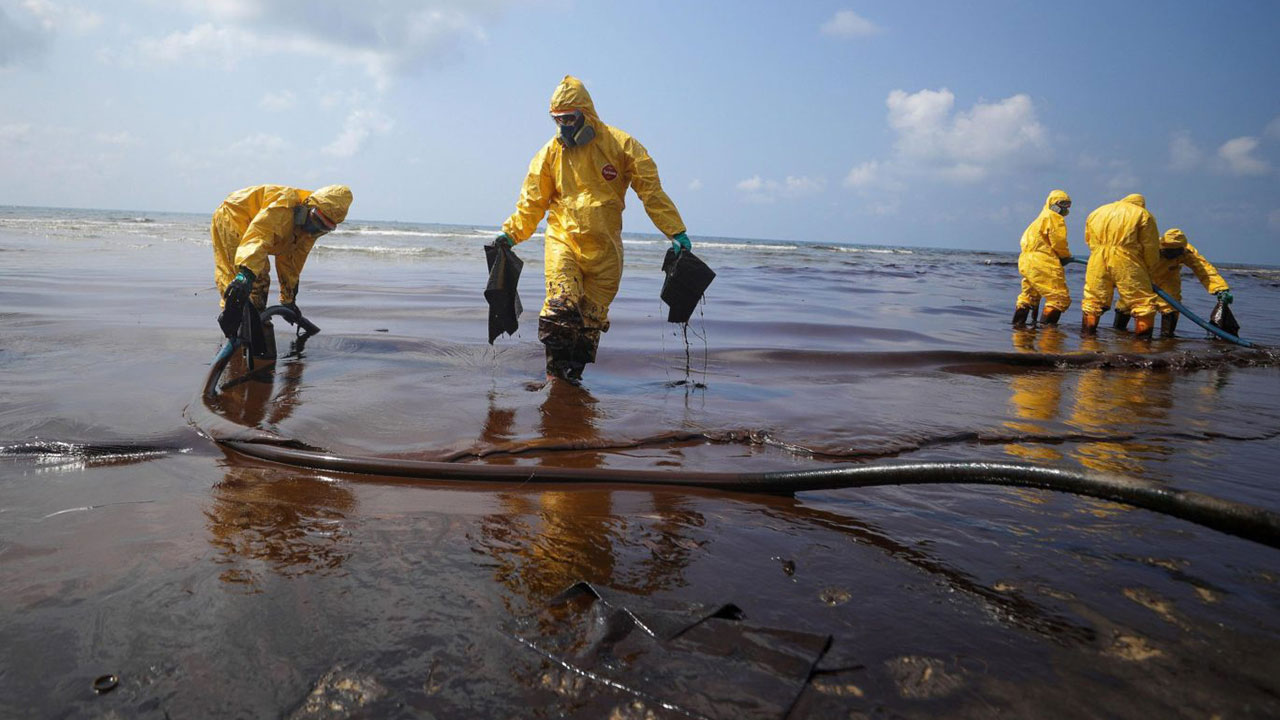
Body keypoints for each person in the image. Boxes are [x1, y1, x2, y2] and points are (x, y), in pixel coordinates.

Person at [494, 75, 692, 383]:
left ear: (586, 113)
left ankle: (572, 381)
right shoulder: (550, 153)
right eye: (557, 120)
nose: (564, 127)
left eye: (570, 119)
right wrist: (511, 233)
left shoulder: (622, 145)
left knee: (589, 322)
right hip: (564, 239)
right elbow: (533, 201)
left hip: (606, 251)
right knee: (561, 306)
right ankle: (553, 377)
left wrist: (675, 231)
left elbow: (650, 191)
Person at [212, 184, 353, 339]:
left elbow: (291, 263)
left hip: (254, 230)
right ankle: (234, 324)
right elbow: (259, 237)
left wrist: (288, 300)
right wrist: (245, 275)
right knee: (249, 278)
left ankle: (256, 321)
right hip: (233, 217)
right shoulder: (283, 206)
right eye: (316, 220)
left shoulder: (309, 233)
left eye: (323, 228)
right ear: (306, 207)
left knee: (258, 282)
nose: (314, 229)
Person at [1112, 228, 1232, 336]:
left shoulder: (1186, 252)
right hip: (1143, 278)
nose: (1171, 255)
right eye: (1168, 251)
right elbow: (1126, 263)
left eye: (1175, 252)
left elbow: (1204, 270)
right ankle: (1118, 333)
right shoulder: (1149, 246)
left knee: (1171, 306)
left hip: (1168, 278)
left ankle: (1167, 338)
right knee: (1127, 303)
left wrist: (1220, 288)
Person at [1080, 193, 1160, 336]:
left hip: (1097, 258)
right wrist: (1149, 268)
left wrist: (1100, 254)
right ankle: (1142, 348)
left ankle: (1087, 342)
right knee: (1142, 303)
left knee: (1093, 301)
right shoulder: (1143, 214)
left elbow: (1089, 239)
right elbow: (1150, 246)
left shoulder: (1097, 212)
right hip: (1126, 259)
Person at [1013, 190, 1073, 325]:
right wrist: (1065, 256)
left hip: (1026, 261)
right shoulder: (1054, 217)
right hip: (1042, 260)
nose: (1064, 208)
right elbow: (1058, 241)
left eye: (1067, 205)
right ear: (1051, 203)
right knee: (1059, 298)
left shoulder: (1039, 219)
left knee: (1028, 296)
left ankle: (1018, 330)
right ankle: (1047, 338)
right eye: (1062, 203)